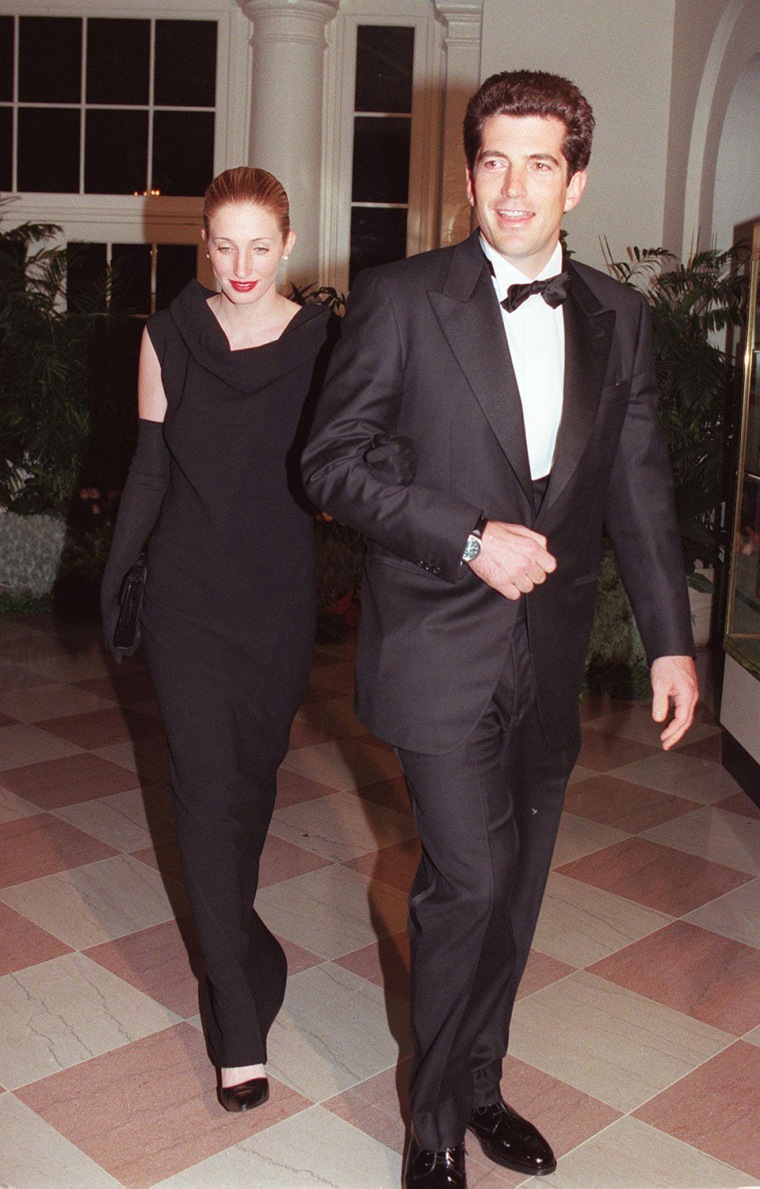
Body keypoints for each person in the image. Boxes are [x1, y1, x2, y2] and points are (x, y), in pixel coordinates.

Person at [302, 71, 698, 1187]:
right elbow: (330, 462)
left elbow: (640, 488)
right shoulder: (400, 296)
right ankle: (431, 1122)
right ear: (467, 170)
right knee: (467, 881)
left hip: (550, 656)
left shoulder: (618, 315)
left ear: (576, 178)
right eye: (490, 161)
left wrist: (669, 638)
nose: (510, 188)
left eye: (537, 164)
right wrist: (466, 535)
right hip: (435, 645)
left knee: (516, 888)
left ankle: (481, 1082)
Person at [101, 167, 337, 1112]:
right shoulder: (170, 337)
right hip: (188, 606)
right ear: (205, 243)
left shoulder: (327, 342)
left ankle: (243, 942)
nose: (239, 266)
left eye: (258, 246)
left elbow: (351, 467)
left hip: (278, 603)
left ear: (287, 244)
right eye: (222, 245)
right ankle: (236, 1029)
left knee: (247, 787)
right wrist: (117, 577)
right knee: (200, 791)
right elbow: (150, 473)